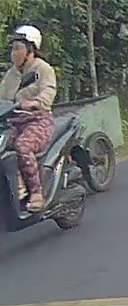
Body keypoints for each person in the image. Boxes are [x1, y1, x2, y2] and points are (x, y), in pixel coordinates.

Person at [0, 25, 56, 212]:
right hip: (13, 124)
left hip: (38, 121)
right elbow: (2, 97)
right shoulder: (11, 74)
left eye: (18, 48)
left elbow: (48, 91)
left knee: (23, 147)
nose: (13, 53)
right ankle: (16, 186)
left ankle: (36, 193)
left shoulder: (43, 69)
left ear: (30, 50)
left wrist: (35, 103)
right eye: (12, 49)